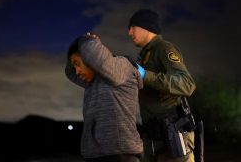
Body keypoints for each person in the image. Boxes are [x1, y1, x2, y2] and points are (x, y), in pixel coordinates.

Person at [127, 9, 197, 162]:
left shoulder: (163, 48)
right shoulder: (145, 55)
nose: (129, 32)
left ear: (146, 26)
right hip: (154, 136)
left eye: (132, 27)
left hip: (173, 136)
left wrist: (145, 75)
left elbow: (187, 84)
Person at [65, 33, 143, 162]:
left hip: (120, 155)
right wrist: (74, 56)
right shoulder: (92, 81)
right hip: (97, 155)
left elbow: (91, 52)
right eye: (74, 66)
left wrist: (89, 40)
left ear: (90, 58)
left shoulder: (122, 68)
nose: (77, 71)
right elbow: (69, 72)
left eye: (77, 63)